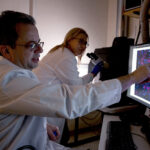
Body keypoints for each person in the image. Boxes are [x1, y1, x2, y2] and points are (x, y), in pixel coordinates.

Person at [0, 10, 150, 150]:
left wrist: (41, 125)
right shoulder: (8, 78)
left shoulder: (18, 71)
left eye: (39, 43)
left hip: (39, 111)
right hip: (48, 107)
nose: (40, 50)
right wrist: (132, 78)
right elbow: (72, 96)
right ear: (6, 50)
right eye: (31, 45)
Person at [34, 27, 104, 142]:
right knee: (54, 140)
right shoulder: (65, 56)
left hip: (46, 102)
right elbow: (76, 85)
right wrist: (93, 74)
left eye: (86, 43)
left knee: (63, 136)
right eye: (80, 41)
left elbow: (72, 82)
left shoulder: (60, 51)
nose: (83, 46)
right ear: (70, 39)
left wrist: (91, 75)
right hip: (46, 107)